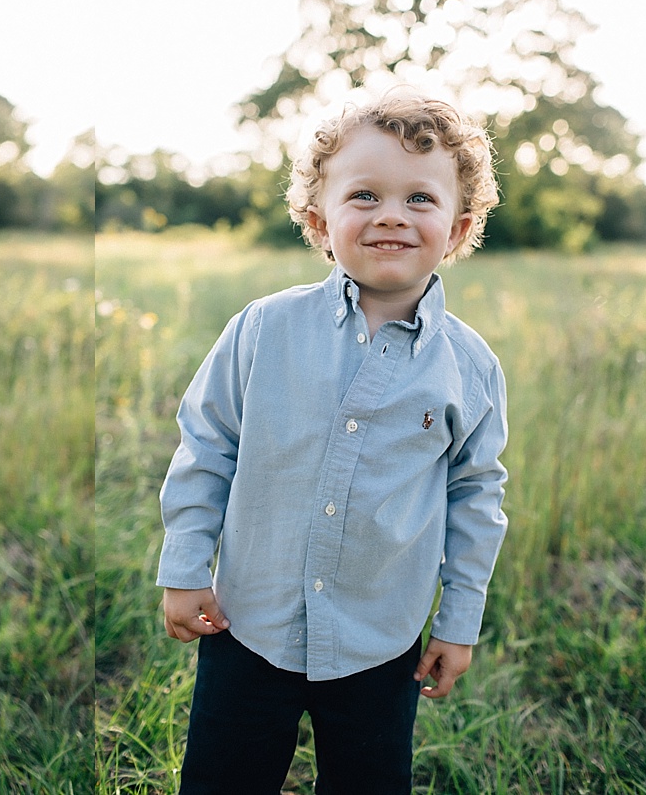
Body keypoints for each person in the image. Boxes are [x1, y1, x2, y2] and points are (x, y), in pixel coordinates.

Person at [157, 89, 508, 793]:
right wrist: (186, 564)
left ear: (459, 225)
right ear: (320, 219)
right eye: (365, 194)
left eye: (419, 199)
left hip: (380, 639)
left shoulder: (468, 366)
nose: (390, 215)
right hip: (249, 625)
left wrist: (459, 620)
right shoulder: (263, 328)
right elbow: (207, 444)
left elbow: (476, 495)